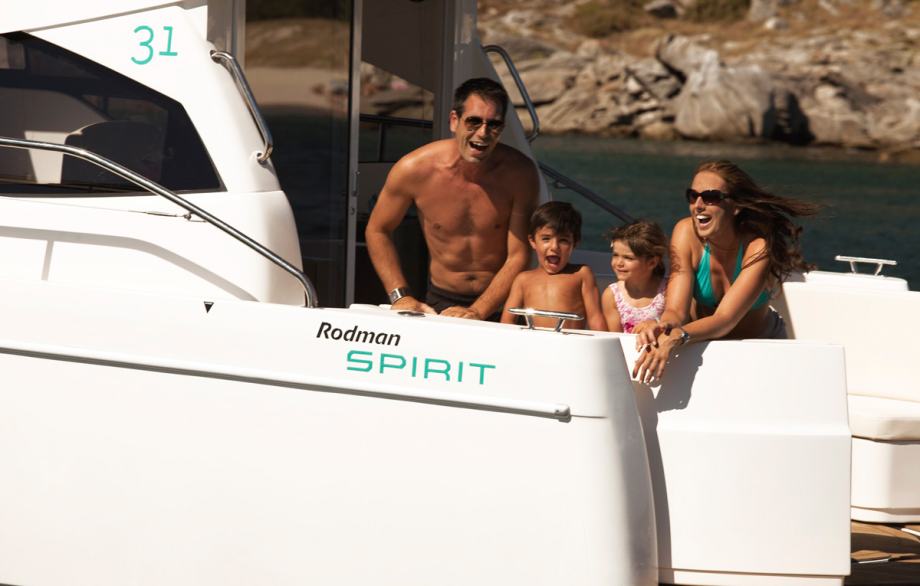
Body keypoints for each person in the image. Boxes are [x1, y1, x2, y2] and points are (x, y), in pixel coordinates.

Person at [365, 77, 539, 321]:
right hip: (441, 299)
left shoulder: (520, 174)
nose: (483, 133)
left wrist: (479, 310)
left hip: (503, 303)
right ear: (454, 121)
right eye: (473, 121)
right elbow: (377, 230)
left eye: (494, 124)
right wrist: (400, 296)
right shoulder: (414, 169)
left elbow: (518, 255)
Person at [632, 160, 819, 383]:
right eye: (693, 196)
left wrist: (679, 335)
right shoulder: (685, 233)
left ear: (736, 206)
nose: (698, 205)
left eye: (711, 197)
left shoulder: (758, 246)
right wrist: (664, 326)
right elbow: (675, 311)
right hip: (702, 344)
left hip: (760, 348)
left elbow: (725, 319)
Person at [500, 201, 606, 331]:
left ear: (575, 243)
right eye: (546, 239)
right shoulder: (522, 279)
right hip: (533, 342)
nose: (554, 247)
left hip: (569, 343)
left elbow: (595, 318)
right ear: (533, 241)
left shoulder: (582, 274)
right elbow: (507, 321)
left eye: (563, 240)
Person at [601, 220, 668, 333]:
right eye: (615, 255)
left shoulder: (668, 291)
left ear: (652, 263)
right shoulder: (612, 295)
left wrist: (656, 322)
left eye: (628, 258)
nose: (619, 263)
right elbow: (616, 337)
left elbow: (679, 324)